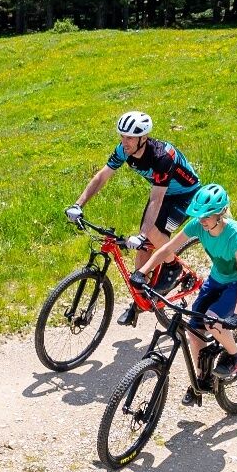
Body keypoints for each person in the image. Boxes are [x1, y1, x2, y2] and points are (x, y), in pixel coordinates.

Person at [66, 110, 198, 322]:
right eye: (122, 136)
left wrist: (143, 234)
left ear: (143, 138)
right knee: (143, 245)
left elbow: (156, 199)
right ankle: (139, 301)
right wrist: (78, 204)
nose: (124, 142)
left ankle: (174, 267)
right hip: (162, 192)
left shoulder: (162, 157)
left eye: (129, 138)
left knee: (149, 233)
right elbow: (102, 177)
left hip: (185, 195)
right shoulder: (124, 151)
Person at [132, 183, 237, 389]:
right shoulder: (198, 226)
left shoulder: (236, 234)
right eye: (199, 215)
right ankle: (202, 380)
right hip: (218, 278)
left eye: (207, 216)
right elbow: (167, 249)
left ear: (221, 213)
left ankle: (236, 357)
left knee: (212, 320)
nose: (202, 220)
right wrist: (142, 272)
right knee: (193, 329)